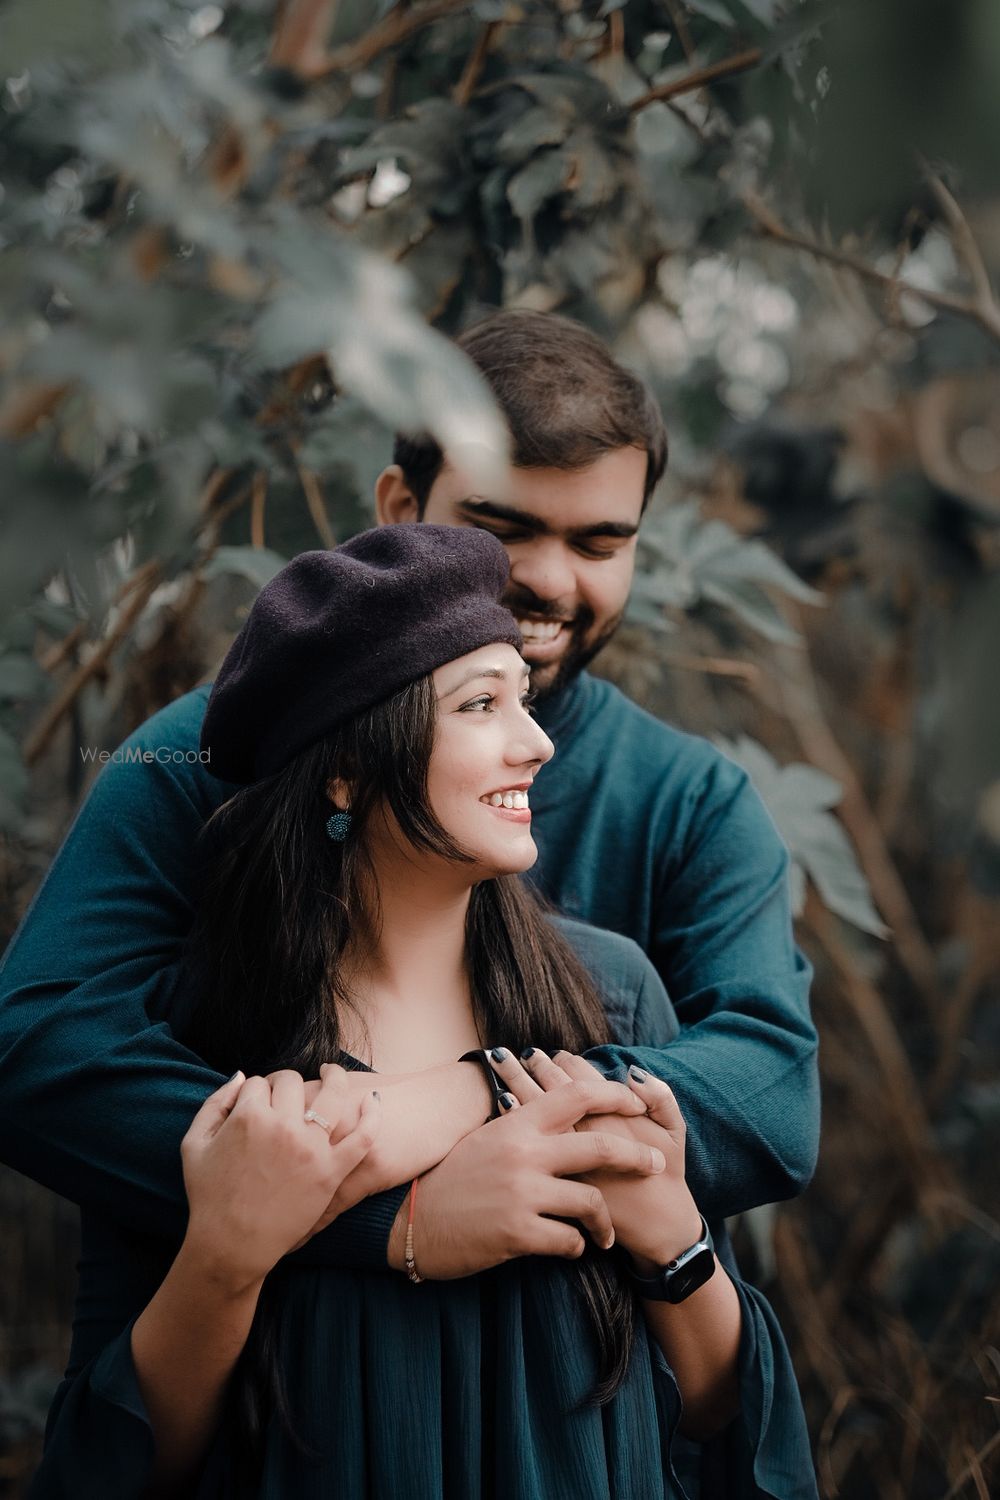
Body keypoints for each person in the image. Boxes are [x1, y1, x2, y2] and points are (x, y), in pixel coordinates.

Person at [0, 309, 820, 1482]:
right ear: (400, 507)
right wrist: (379, 1217)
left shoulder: (686, 809)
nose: (544, 578)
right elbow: (42, 1046)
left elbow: (771, 1094)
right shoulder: (210, 762)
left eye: (599, 539)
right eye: (500, 528)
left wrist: (466, 1096)